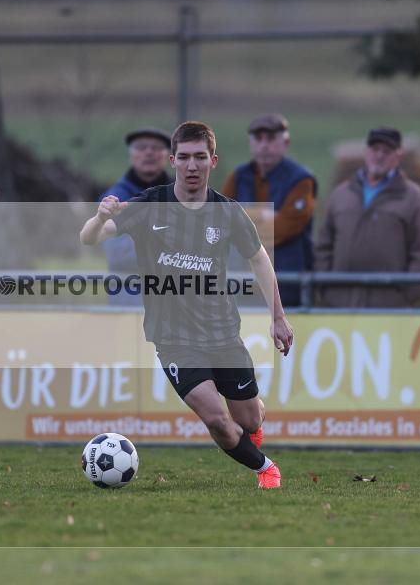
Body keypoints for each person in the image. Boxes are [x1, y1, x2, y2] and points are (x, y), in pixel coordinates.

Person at [80, 121, 293, 489]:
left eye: (200, 157)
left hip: (222, 333)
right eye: (184, 158)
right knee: (216, 420)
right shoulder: (149, 205)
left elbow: (259, 259)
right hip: (174, 338)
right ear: (173, 161)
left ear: (213, 161)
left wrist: (278, 317)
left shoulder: (228, 212)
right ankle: (266, 470)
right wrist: (99, 218)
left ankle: (252, 430)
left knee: (249, 420)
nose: (192, 166)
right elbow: (89, 239)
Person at [314, 127, 420, 307]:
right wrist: (327, 290)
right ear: (366, 152)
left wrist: (407, 295)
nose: (379, 156)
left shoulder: (413, 198)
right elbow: (324, 246)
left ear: (399, 156)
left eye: (386, 151)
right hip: (341, 305)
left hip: (389, 307)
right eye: (375, 149)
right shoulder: (341, 194)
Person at [220, 113, 316, 307]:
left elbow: (283, 228)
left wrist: (241, 222)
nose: (264, 145)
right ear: (250, 143)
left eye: (271, 138)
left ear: (286, 143)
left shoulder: (301, 180)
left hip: (286, 287)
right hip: (244, 285)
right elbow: (220, 220)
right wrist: (262, 215)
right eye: (258, 138)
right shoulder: (238, 176)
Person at [100, 128, 172, 305]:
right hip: (129, 294)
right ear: (130, 155)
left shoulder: (184, 195)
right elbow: (118, 255)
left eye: (156, 147)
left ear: (168, 156)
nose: (149, 152)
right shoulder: (114, 198)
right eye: (141, 147)